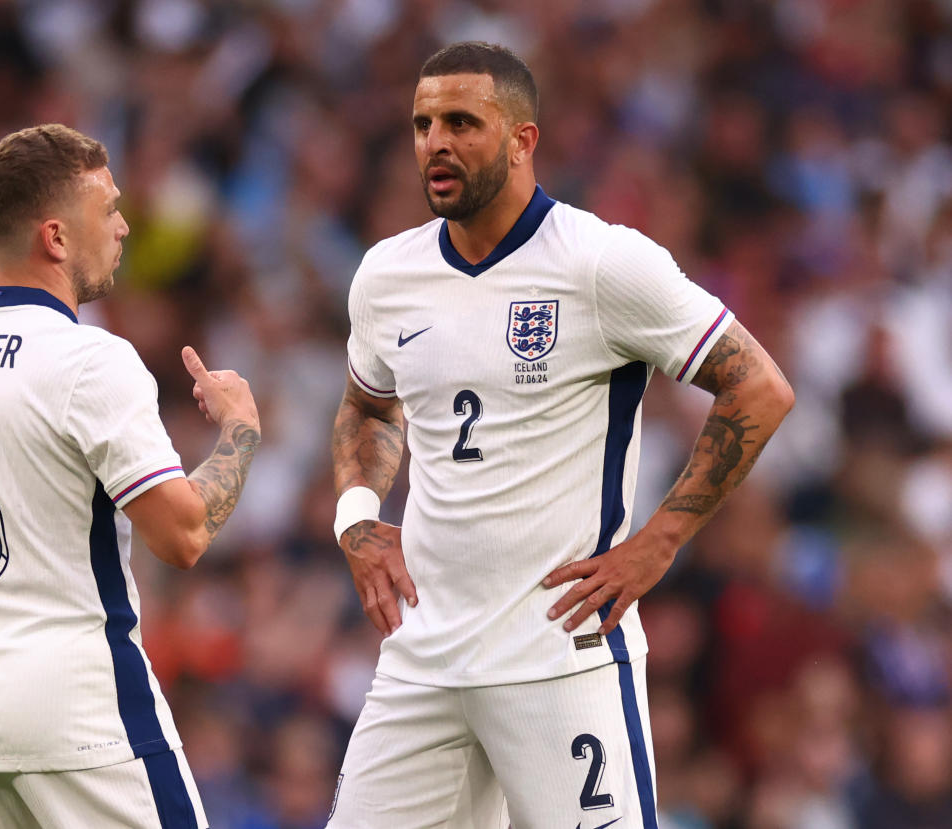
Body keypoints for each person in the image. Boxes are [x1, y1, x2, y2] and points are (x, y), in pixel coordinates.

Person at [327, 42, 793, 829]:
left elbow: (759, 387)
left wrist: (661, 540)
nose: (435, 142)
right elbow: (367, 407)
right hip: (425, 652)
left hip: (556, 652)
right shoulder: (386, 274)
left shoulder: (602, 263)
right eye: (422, 123)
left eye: (462, 122)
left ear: (522, 139)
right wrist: (358, 520)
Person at [0, 124, 261, 829]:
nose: (125, 226)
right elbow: (184, 533)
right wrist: (241, 431)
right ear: (56, 237)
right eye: (107, 208)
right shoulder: (89, 360)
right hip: (80, 707)